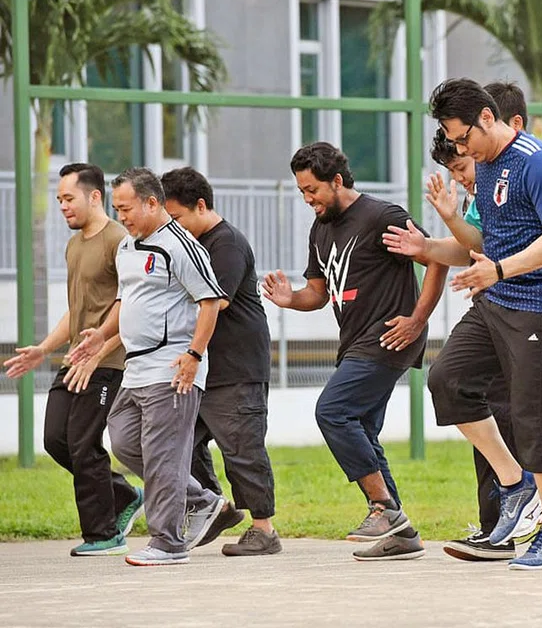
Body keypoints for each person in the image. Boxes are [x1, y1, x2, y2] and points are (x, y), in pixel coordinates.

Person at [422, 85, 542, 561]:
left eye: (462, 137)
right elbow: (486, 239)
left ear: (487, 117)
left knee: (534, 412)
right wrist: (451, 218)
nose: (460, 150)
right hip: (498, 299)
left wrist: (501, 269)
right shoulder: (485, 167)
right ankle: (515, 482)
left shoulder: (537, 161)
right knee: (449, 381)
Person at [261, 142, 448, 561]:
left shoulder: (382, 216)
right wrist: (289, 298)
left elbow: (436, 258)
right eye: (301, 192)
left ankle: (382, 508)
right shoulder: (320, 229)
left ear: (338, 181)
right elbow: (318, 292)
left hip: (389, 336)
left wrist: (417, 319)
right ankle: (402, 534)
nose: (308, 200)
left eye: (312, 190)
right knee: (361, 426)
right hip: (355, 342)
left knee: (332, 410)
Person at [68, 167, 227, 566]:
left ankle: (168, 543)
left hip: (170, 369)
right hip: (135, 371)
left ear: (152, 203)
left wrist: (193, 357)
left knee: (162, 457)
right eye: (118, 209)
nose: (122, 217)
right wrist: (102, 336)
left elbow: (210, 302)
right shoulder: (127, 247)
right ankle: (202, 500)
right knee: (123, 442)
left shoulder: (182, 246)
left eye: (126, 209)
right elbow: (126, 302)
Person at [3, 163, 143, 557]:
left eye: (68, 198)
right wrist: (44, 349)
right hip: (74, 359)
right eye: (59, 199)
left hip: (108, 360)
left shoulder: (119, 240)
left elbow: (126, 302)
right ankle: (126, 493)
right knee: (56, 441)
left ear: (94, 196)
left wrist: (101, 344)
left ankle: (104, 534)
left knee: (83, 445)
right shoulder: (74, 245)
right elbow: (76, 310)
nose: (62, 206)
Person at [162, 166, 282, 556]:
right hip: (204, 368)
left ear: (201, 205)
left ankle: (264, 529)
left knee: (242, 448)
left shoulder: (225, 243)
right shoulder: (192, 246)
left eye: (177, 219)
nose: (174, 229)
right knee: (183, 443)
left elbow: (217, 301)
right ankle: (215, 507)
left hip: (236, 366)